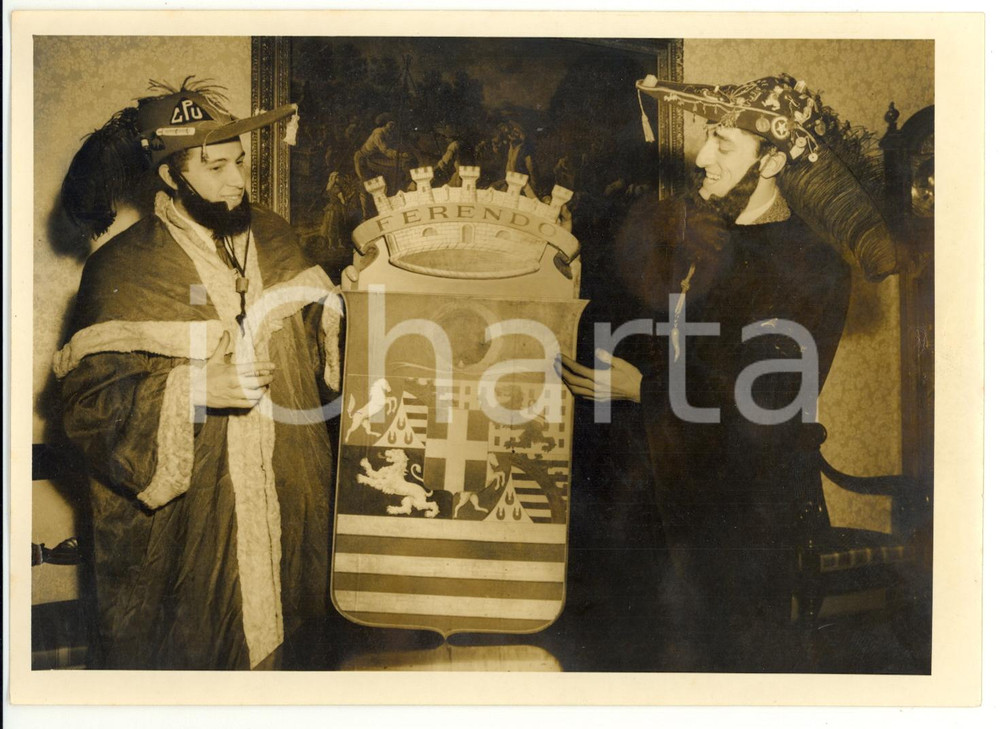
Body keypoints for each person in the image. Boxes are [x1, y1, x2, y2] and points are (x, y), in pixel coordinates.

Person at [559, 74, 896, 669]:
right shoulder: (699, 234)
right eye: (708, 135)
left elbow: (770, 399)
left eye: (723, 143)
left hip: (745, 517)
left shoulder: (813, 266)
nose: (701, 155)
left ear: (772, 162)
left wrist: (644, 389)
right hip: (657, 501)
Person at [54, 79, 343, 670]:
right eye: (215, 167)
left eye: (239, 162)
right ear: (170, 176)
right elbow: (89, 409)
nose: (238, 181)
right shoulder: (123, 267)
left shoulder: (277, 237)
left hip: (295, 502)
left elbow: (330, 357)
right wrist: (190, 390)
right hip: (190, 537)